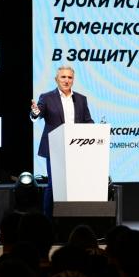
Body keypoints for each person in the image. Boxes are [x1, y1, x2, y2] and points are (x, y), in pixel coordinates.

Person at [31, 65, 94, 217]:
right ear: (56, 79)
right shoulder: (47, 97)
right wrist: (35, 113)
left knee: (76, 185)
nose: (66, 80)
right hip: (55, 148)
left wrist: (96, 130)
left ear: (73, 80)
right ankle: (48, 221)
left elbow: (88, 121)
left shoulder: (81, 99)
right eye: (63, 77)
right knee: (54, 184)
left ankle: (71, 218)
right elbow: (37, 114)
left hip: (76, 149)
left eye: (69, 77)